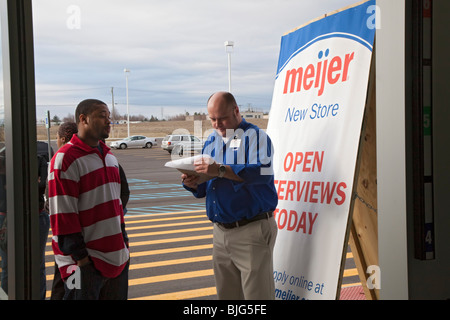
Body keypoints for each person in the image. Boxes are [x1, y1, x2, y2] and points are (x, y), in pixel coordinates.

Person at [182, 91, 278, 300]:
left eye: (222, 118)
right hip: (220, 232)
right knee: (228, 297)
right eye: (212, 119)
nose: (217, 124)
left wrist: (220, 170)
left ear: (236, 110)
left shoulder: (257, 137)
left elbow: (259, 174)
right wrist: (192, 182)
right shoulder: (212, 141)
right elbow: (207, 188)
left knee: (257, 299)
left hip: (251, 230)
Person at [48, 99, 129, 300]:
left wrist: (124, 245)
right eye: (102, 116)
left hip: (117, 259)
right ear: (83, 119)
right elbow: (63, 218)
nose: (108, 121)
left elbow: (117, 206)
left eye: (109, 116)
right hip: (84, 265)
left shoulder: (110, 157)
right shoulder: (65, 158)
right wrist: (82, 261)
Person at [48, 121, 78, 300]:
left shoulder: (60, 161)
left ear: (63, 139)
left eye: (58, 138)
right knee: (65, 285)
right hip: (70, 246)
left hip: (71, 247)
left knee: (71, 287)